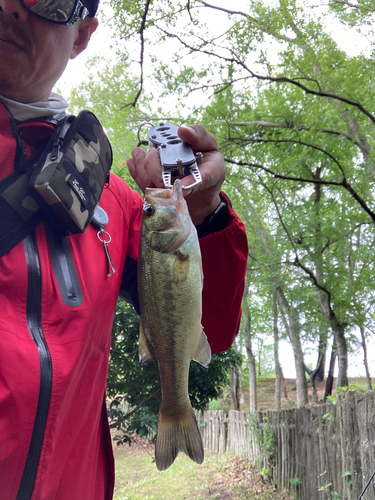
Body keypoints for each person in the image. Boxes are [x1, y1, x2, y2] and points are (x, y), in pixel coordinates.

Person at [0, 1, 248, 499]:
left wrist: (206, 214)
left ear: (82, 36)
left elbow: (212, 329)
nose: (12, 7)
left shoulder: (116, 203)